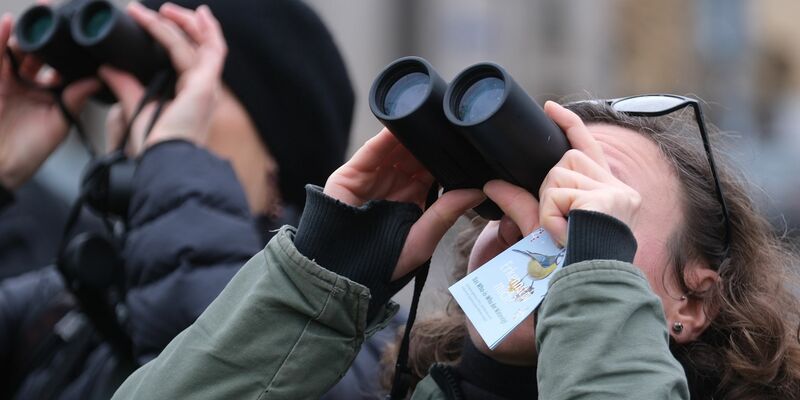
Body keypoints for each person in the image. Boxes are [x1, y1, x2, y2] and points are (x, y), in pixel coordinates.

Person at [109, 94, 800, 399]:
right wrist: (314, 283)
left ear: (692, 301)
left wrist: (592, 268)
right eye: (536, 187)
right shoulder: (347, 380)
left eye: (600, 200)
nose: (550, 220)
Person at [0, 1, 386, 398]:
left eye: (176, 88)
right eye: (130, 92)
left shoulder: (355, 327)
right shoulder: (65, 306)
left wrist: (174, 161)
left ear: (278, 151)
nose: (139, 115)